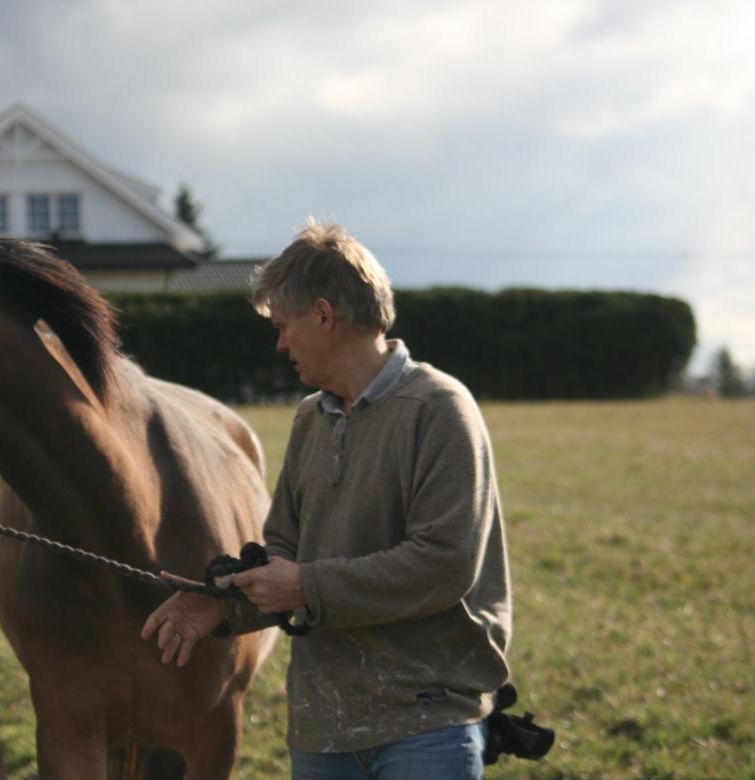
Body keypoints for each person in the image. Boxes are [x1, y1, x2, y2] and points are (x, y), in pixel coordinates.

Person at [141, 223, 512, 779]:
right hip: (320, 731)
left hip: (427, 724)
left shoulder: (439, 409)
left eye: (284, 326)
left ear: (322, 315)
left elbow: (445, 564)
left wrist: (305, 585)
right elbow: (282, 556)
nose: (280, 343)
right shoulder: (309, 420)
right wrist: (221, 604)